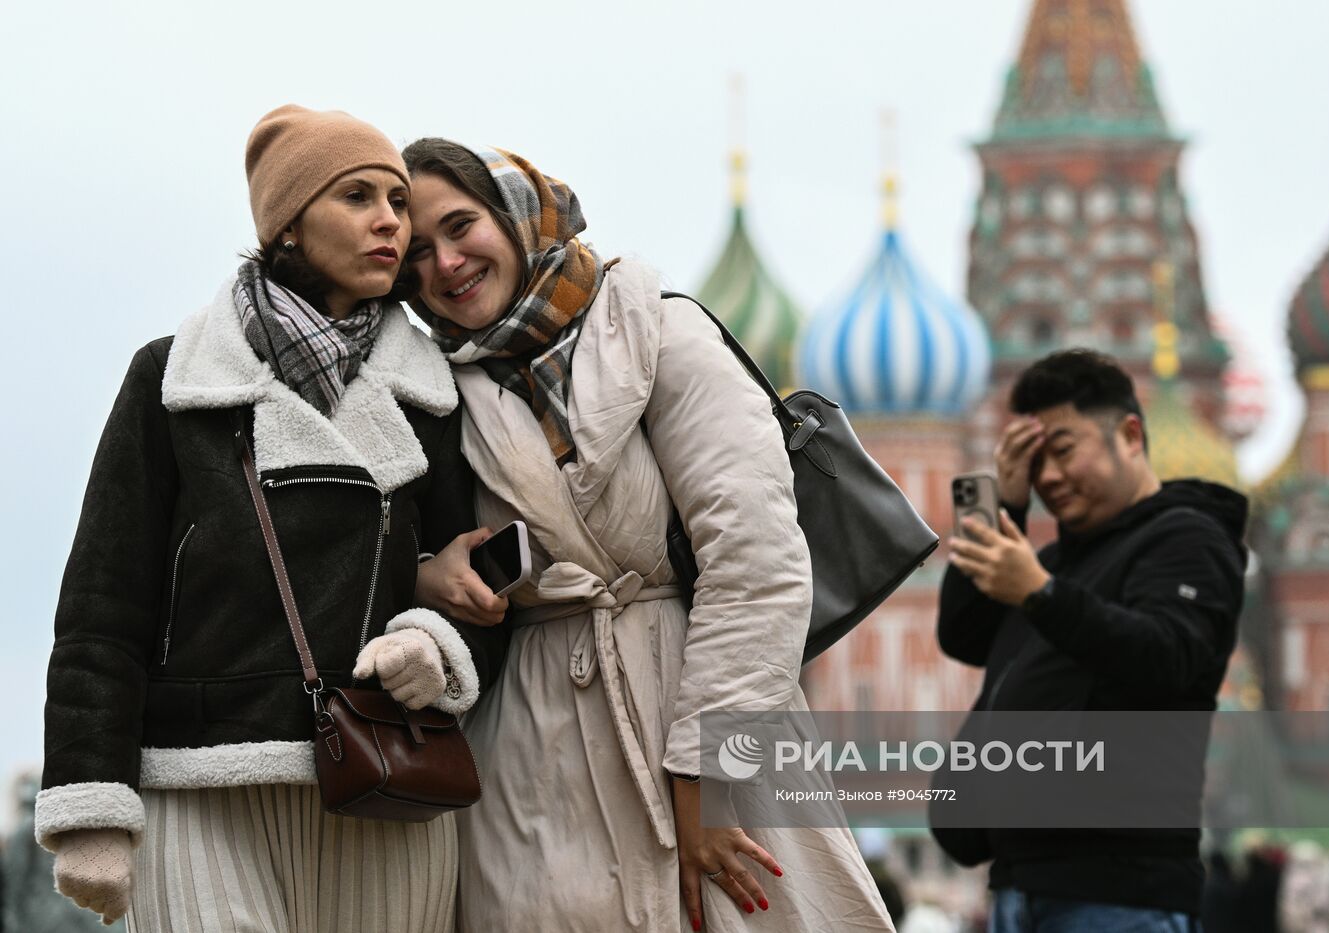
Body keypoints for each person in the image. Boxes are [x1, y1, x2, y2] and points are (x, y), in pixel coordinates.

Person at [400, 138, 895, 932]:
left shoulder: (658, 328)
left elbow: (755, 560)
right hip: (526, 761)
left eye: (462, 226)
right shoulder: (433, 386)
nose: (446, 263)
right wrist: (428, 578)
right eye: (417, 252)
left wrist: (705, 775)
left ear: (516, 214)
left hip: (699, 716)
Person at [34, 105, 510, 932]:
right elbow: (102, 607)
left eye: (397, 201)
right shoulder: (173, 379)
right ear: (288, 224)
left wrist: (434, 646)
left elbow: (479, 586)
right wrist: (91, 806)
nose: (390, 222)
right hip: (199, 792)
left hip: (388, 786)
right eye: (358, 196)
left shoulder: (434, 391)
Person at [934, 349, 1247, 932]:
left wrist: (1041, 595)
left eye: (1064, 449)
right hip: (1019, 882)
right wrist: (1001, 502)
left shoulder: (1186, 539)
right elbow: (963, 635)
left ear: (1129, 435)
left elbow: (1168, 655)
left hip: (1120, 893)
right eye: (1033, 458)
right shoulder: (1052, 564)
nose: (1049, 475)